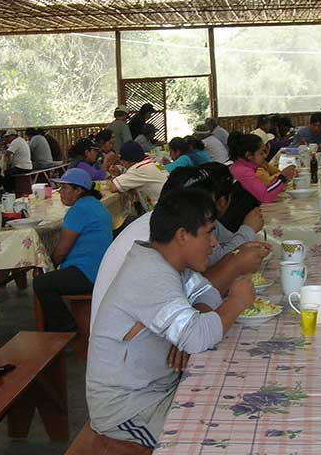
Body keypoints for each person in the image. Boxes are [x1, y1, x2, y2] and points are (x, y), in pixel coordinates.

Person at [86, 189, 255, 449]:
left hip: (159, 390)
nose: (213, 243)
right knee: (215, 442)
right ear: (182, 236)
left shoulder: (167, 263)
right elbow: (198, 336)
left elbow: (205, 293)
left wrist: (188, 326)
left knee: (235, 405)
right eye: (209, 232)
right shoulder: (150, 273)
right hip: (126, 408)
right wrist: (237, 302)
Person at [92, 164, 268, 328]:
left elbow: (198, 289)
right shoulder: (156, 239)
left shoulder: (174, 224)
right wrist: (235, 265)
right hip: (131, 345)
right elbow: (191, 328)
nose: (213, 242)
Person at [33, 169, 112, 332]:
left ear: (78, 190)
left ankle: (66, 328)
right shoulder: (95, 204)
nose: (61, 192)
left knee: (41, 283)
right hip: (102, 269)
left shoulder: (79, 210)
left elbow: (62, 250)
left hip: (88, 273)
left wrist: (49, 265)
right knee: (48, 280)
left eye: (64, 188)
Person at [228, 132, 296, 204]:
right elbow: (265, 196)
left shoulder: (243, 167)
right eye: (261, 153)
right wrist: (282, 178)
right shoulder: (243, 171)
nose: (265, 156)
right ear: (249, 155)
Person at [108, 141, 168, 211]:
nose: (122, 165)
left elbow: (113, 187)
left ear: (128, 161)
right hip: (173, 205)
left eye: (122, 162)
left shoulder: (138, 169)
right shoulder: (154, 163)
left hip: (165, 211)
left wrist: (112, 175)